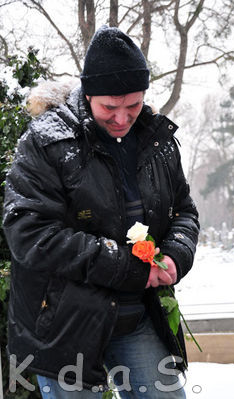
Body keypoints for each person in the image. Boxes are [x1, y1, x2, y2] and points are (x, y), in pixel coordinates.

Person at [3, 26, 199, 398]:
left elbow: (184, 212)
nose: (122, 118)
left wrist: (176, 254)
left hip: (138, 318)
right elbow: (29, 233)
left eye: (134, 105)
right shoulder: (45, 142)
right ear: (88, 93)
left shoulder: (158, 142)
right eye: (110, 107)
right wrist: (129, 268)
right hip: (64, 325)